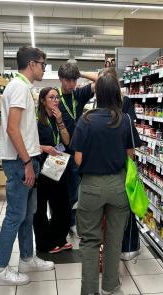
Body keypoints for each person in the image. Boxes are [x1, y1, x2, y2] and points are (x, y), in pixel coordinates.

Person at [0, 46, 54, 286]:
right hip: (20, 162)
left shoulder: (23, 88)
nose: (43, 68)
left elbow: (24, 131)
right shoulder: (18, 88)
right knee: (15, 216)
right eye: (42, 64)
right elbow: (12, 129)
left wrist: (40, 151)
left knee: (28, 214)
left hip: (28, 159)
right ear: (31, 64)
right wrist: (27, 162)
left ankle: (27, 257)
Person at [70, 75, 134, 295]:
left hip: (91, 186)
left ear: (97, 93)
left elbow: (77, 159)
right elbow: (130, 155)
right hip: (118, 186)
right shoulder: (124, 119)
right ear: (116, 93)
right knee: (114, 239)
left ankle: (89, 291)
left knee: (89, 241)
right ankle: (110, 286)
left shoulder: (85, 120)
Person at [99, 67, 142, 261]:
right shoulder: (104, 104)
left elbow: (130, 135)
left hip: (118, 160)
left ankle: (129, 245)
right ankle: (121, 245)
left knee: (126, 206)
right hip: (116, 160)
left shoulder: (124, 102)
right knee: (118, 208)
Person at [57, 62, 99, 236]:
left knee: (74, 188)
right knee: (58, 188)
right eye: (68, 80)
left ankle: (72, 221)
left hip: (76, 150)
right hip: (58, 150)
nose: (72, 84)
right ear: (61, 79)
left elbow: (103, 80)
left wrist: (80, 73)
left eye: (74, 80)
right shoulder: (54, 97)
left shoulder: (79, 94)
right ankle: (60, 221)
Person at [33, 87, 72, 254]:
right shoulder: (36, 120)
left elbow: (67, 141)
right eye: (51, 97)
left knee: (61, 204)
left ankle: (59, 239)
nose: (55, 100)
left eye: (57, 97)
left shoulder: (58, 118)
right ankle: (44, 244)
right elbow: (27, 144)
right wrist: (44, 148)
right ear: (43, 100)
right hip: (42, 167)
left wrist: (61, 122)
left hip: (58, 166)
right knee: (41, 207)